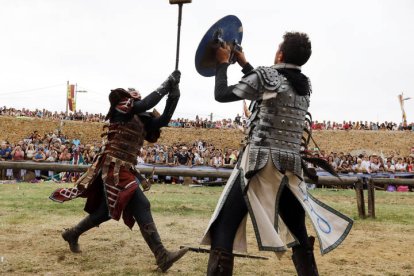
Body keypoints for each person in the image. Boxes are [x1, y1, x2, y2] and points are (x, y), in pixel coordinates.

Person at [200, 32, 353, 276]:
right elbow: (270, 89)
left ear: (280, 54)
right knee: (299, 234)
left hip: (259, 164)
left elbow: (222, 94)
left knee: (223, 228)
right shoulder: (303, 85)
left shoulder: (267, 77)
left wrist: (221, 63)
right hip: (290, 166)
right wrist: (244, 63)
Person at [50, 70, 187, 273]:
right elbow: (142, 105)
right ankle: (162, 255)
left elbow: (165, 119)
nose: (137, 100)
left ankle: (73, 233)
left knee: (106, 211)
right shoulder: (120, 108)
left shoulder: (143, 118)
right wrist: (167, 84)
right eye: (135, 98)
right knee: (142, 203)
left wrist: (174, 94)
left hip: (124, 168)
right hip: (113, 166)